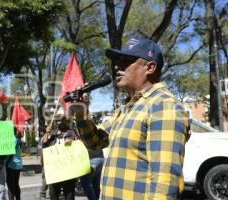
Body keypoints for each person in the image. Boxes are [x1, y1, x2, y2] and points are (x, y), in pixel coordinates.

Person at [70, 37, 190, 199]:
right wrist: (82, 112)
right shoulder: (126, 109)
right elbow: (95, 142)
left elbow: (165, 181)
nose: (117, 66)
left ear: (150, 67)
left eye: (126, 61)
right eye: (117, 61)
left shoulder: (163, 106)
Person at [42, 117, 77, 200]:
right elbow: (44, 143)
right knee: (53, 195)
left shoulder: (72, 134)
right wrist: (47, 133)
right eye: (59, 121)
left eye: (64, 121)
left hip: (68, 172)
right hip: (55, 173)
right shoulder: (54, 136)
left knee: (69, 196)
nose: (61, 122)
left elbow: (78, 145)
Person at [6, 129, 23, 200]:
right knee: (16, 184)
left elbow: (10, 153)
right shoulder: (17, 139)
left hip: (11, 165)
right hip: (17, 165)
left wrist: (4, 163)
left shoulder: (12, 139)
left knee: (10, 186)